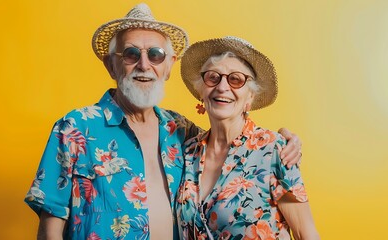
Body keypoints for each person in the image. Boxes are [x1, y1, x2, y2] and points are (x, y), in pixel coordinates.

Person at [24, 4, 303, 240]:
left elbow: (231, 143)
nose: (144, 65)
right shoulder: (75, 128)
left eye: (155, 55)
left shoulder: (180, 131)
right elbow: (51, 223)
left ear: (168, 66)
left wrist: (284, 140)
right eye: (131, 54)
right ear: (112, 65)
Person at [176, 36, 319, 240]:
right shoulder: (187, 152)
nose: (222, 87)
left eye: (235, 79)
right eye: (213, 77)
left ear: (249, 97)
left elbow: (306, 233)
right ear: (201, 91)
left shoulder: (273, 149)